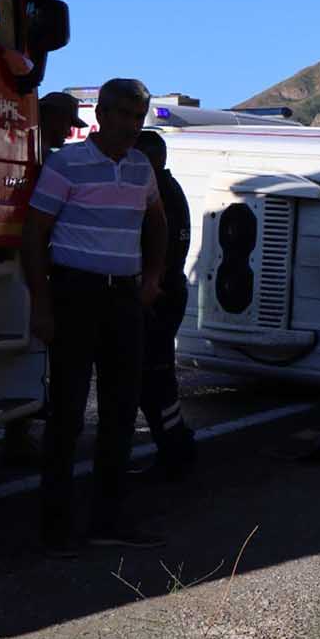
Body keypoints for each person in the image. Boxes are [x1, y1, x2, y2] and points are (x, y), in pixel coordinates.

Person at [22, 78, 169, 555]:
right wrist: (41, 304)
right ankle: (55, 530)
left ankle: (110, 520)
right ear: (101, 114)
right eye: (122, 115)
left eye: (137, 117)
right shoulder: (67, 164)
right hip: (74, 295)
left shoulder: (141, 167)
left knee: (120, 412)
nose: (130, 125)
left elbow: (158, 221)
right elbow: (34, 234)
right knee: (66, 416)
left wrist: (152, 277)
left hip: (123, 300)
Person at [0, 92, 88, 467]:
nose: (69, 132)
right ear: (45, 117)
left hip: (29, 266)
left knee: (30, 353)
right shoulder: (43, 164)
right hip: (23, 264)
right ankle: (18, 436)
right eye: (65, 122)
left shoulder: (49, 163)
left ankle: (19, 434)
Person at [131, 131, 195, 479]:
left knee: (154, 379)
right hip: (167, 293)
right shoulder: (170, 189)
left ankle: (175, 450)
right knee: (155, 378)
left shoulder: (159, 195)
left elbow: (162, 251)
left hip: (159, 297)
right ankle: (176, 444)